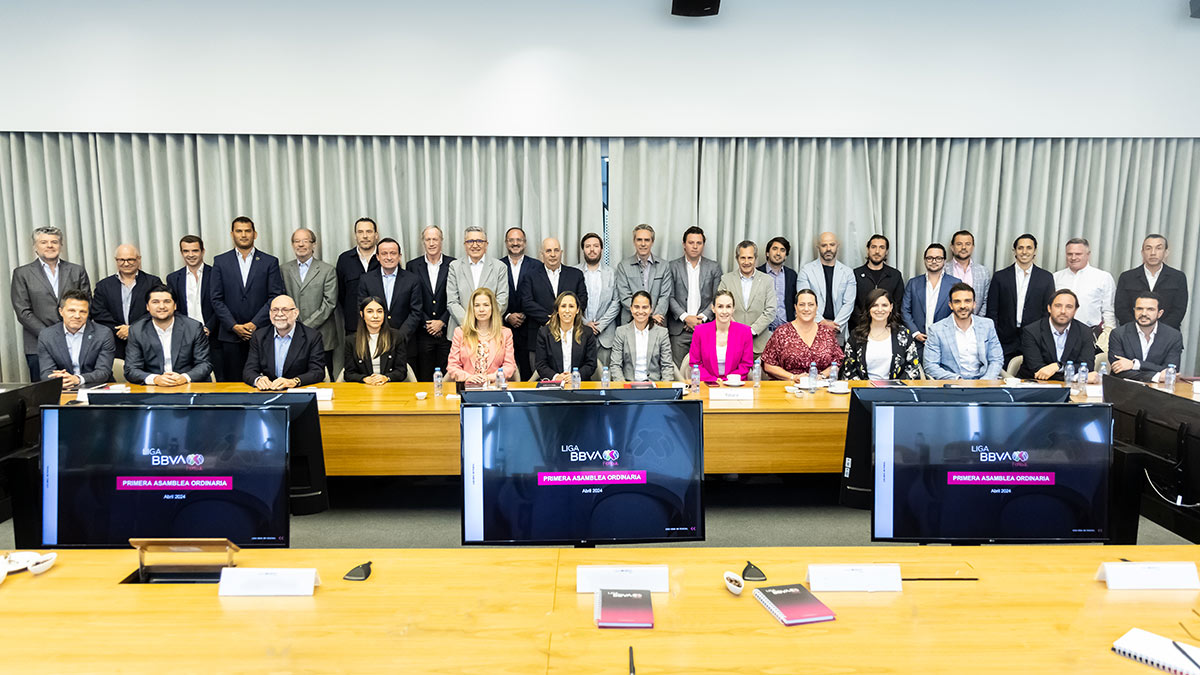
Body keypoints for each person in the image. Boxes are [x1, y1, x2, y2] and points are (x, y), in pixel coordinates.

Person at [210, 216, 286, 382]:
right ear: (232, 234)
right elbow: (216, 298)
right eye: (239, 231)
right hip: (230, 335)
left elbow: (275, 297)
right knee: (232, 384)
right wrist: (233, 326)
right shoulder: (220, 261)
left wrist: (254, 324)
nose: (243, 235)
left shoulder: (269, 262)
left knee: (264, 381)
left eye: (247, 231)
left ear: (255, 234)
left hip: (261, 333)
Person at [11, 226, 91, 379]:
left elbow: (87, 304)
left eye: (54, 242)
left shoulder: (77, 270)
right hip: (38, 342)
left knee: (78, 388)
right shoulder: (22, 273)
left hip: (76, 340)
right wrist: (50, 335)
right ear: (35, 247)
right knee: (45, 393)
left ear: (61, 245)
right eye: (43, 242)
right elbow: (23, 311)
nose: (49, 246)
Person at [985, 233, 1056, 363]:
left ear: (1035, 251)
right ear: (1015, 251)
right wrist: (994, 336)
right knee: (1003, 376)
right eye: (1020, 248)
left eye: (1029, 248)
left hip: (1034, 338)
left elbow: (1048, 311)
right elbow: (992, 311)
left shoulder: (1046, 278)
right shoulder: (1000, 277)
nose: (1024, 252)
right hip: (1004, 340)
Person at [123, 284, 212, 385]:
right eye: (155, 302)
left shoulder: (193, 327)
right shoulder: (137, 330)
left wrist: (184, 377)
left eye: (167, 301)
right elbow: (131, 369)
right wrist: (155, 379)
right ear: (147, 307)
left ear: (175, 306)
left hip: (188, 387)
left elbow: (204, 364)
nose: (161, 306)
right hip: (154, 389)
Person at [521, 237, 588, 370]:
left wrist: (563, 317)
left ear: (561, 252)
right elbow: (527, 302)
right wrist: (551, 319)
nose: (552, 254)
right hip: (538, 337)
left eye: (556, 250)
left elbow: (582, 300)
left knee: (570, 380)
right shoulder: (530, 276)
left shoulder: (576, 274)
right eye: (548, 251)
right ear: (542, 254)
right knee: (540, 380)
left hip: (572, 337)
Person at [89, 244, 162, 360]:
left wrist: (132, 329)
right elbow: (98, 312)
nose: (126, 263)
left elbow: (158, 310)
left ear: (139, 259)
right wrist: (120, 330)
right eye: (121, 260)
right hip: (114, 342)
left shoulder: (153, 282)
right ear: (116, 260)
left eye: (130, 259)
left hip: (146, 340)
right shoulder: (103, 285)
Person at [282, 228, 338, 380]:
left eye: (305, 241)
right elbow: (280, 299)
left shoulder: (328, 270)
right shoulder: (284, 269)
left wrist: (305, 327)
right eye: (297, 241)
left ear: (314, 245)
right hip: (289, 333)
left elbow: (330, 303)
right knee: (293, 377)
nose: (301, 245)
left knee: (323, 376)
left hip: (322, 335)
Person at [923, 283, 1004, 380]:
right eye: (957, 302)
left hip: (983, 383)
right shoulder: (936, 330)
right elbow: (930, 365)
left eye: (967, 301)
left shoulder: (987, 325)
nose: (962, 306)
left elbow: (996, 359)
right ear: (951, 305)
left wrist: (985, 381)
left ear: (974, 304)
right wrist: (957, 380)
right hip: (952, 386)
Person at [243, 294, 326, 390]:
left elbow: (317, 371)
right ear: (270, 314)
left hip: (298, 393)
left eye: (285, 310)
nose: (279, 314)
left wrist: (294, 381)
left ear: (295, 313)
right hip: (269, 392)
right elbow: (249, 370)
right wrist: (258, 380)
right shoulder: (259, 336)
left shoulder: (312, 336)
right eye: (275, 310)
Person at [406, 225, 456, 381]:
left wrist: (442, 321)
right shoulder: (412, 266)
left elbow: (456, 297)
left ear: (441, 241)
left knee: (447, 375)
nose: (432, 243)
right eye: (428, 239)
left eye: (435, 239)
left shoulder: (453, 264)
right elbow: (412, 299)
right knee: (424, 376)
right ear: (423, 242)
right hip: (423, 332)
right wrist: (428, 324)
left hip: (447, 332)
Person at [36, 289, 114, 388]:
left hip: (96, 388)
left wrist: (77, 379)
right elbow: (46, 373)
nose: (77, 316)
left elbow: (103, 372)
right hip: (63, 389)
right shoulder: (47, 336)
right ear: (61, 311)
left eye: (83, 312)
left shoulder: (103, 334)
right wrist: (62, 380)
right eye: (71, 310)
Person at [761, 289, 845, 381]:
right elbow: (768, 365)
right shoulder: (782, 332)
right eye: (802, 305)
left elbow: (837, 363)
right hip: (788, 388)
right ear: (795, 307)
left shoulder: (827, 332)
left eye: (811, 305)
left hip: (820, 387)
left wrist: (822, 376)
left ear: (817, 308)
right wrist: (792, 377)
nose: (806, 309)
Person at [668, 226, 722, 364]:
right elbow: (670, 296)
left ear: (703, 245)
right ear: (684, 244)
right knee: (679, 372)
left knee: (706, 370)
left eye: (699, 243)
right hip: (679, 330)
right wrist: (686, 318)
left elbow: (717, 298)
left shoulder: (713, 267)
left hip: (705, 328)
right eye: (691, 242)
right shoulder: (672, 266)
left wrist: (701, 319)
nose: (695, 246)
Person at [1017, 289, 1098, 382]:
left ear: (1075, 310)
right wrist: (1074, 377)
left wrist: (1058, 366)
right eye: (1058, 306)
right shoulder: (1031, 331)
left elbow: (1087, 365)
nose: (1063, 311)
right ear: (1049, 308)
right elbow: (1037, 369)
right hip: (1034, 385)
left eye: (1069, 307)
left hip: (1071, 388)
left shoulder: (1085, 332)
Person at [841, 288, 921, 381]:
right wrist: (865, 388)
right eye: (874, 305)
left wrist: (893, 388)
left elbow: (913, 369)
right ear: (868, 308)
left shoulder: (903, 334)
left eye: (884, 305)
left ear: (891, 307)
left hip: (896, 391)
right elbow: (848, 370)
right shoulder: (857, 335)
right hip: (864, 391)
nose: (880, 310)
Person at [1115, 234, 1189, 331]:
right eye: (1148, 248)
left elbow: (1179, 310)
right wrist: (1139, 330)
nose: (1153, 253)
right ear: (1142, 252)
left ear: (1166, 252)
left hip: (1167, 335)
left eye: (1158, 248)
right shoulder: (1127, 277)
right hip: (1131, 334)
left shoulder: (1178, 277)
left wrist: (1158, 331)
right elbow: (1121, 309)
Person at [1108, 292, 1185, 383]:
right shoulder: (1118, 334)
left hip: (1158, 391)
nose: (1144, 313)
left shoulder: (1173, 336)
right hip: (1124, 389)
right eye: (1139, 309)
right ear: (1134, 310)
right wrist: (1156, 376)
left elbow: (1170, 371)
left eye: (1150, 309)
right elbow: (1119, 371)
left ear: (1159, 313)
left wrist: (1135, 364)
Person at [716, 240, 777, 356]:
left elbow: (771, 310)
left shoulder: (767, 281)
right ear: (737, 258)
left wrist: (751, 331)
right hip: (732, 343)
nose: (746, 262)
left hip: (759, 347)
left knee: (759, 375)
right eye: (743, 258)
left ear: (756, 258)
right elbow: (720, 307)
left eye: (750, 258)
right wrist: (738, 331)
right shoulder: (726, 280)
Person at [446, 287, 517, 385]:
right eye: (477, 305)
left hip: (495, 387)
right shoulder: (460, 332)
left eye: (486, 305)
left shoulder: (505, 333)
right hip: (468, 387)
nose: (481, 309)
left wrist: (489, 377)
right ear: (472, 309)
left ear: (492, 308)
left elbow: (509, 366)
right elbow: (452, 366)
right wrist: (469, 377)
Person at [357, 237, 423, 342]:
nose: (389, 257)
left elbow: (416, 312)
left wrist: (399, 337)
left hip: (405, 340)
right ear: (378, 257)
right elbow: (363, 309)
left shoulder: (412, 279)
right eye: (384, 253)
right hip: (374, 340)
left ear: (399, 256)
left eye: (393, 253)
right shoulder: (366, 280)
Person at [447, 226, 509, 335]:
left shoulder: (500, 267)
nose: (475, 245)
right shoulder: (454, 267)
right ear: (465, 244)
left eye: (479, 241)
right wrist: (469, 323)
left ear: (486, 244)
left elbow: (502, 300)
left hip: (491, 330)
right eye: (470, 241)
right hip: (462, 329)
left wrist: (484, 324)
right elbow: (452, 301)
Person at [796, 231, 856, 342]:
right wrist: (822, 323)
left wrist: (835, 326)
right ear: (818, 247)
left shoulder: (848, 273)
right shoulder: (806, 271)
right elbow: (804, 301)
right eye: (824, 245)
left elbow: (849, 303)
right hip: (811, 327)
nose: (828, 248)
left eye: (832, 245)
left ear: (837, 245)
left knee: (837, 359)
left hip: (838, 330)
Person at [574, 232, 620, 377]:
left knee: (605, 379)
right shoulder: (574, 272)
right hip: (579, 333)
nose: (592, 249)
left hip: (605, 335)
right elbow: (570, 304)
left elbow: (616, 302)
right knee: (581, 378)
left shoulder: (612, 273)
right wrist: (585, 323)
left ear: (601, 249)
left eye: (595, 246)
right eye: (588, 246)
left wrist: (600, 326)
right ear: (583, 250)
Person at [501, 226, 542, 381]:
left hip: (530, 327)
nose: (515, 243)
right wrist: (507, 315)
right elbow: (494, 296)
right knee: (506, 372)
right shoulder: (497, 266)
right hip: (504, 327)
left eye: (519, 240)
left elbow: (539, 296)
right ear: (506, 243)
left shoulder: (537, 266)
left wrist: (525, 314)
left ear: (525, 243)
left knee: (528, 372)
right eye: (511, 240)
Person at [901, 244, 960, 347]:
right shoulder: (913, 283)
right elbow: (905, 310)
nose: (934, 261)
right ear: (924, 260)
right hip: (917, 342)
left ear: (944, 261)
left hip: (945, 342)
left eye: (938, 258)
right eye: (930, 258)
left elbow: (958, 312)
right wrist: (915, 333)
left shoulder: (955, 283)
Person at [1053, 237, 1116, 336]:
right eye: (1069, 254)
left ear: (1088, 255)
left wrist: (1109, 334)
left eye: (1078, 254)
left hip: (1090, 334)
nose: (1073, 258)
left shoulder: (1103, 277)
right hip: (1059, 334)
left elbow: (1108, 311)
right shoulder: (1056, 277)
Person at [688, 289, 754, 381]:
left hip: (735, 385)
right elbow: (695, 363)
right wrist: (713, 380)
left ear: (733, 309)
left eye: (728, 306)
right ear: (713, 308)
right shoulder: (700, 331)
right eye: (720, 306)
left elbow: (746, 365)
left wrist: (727, 381)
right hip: (708, 384)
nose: (724, 311)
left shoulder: (745, 332)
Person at [614, 224, 673, 326]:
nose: (643, 244)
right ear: (634, 242)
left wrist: (655, 316)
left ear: (652, 242)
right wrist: (647, 315)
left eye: (647, 240)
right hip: (630, 322)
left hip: (657, 321)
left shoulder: (664, 266)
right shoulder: (623, 266)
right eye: (639, 240)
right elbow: (624, 296)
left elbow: (665, 295)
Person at [610, 291, 676, 382]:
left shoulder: (662, 333)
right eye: (636, 307)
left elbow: (667, 366)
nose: (640, 311)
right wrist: (623, 387)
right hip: (628, 386)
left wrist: (663, 389)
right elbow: (615, 365)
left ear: (650, 309)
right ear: (631, 309)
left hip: (654, 387)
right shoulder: (621, 332)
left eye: (645, 307)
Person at [343, 296, 409, 385]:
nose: (375, 316)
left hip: (389, 387)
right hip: (363, 388)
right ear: (362, 314)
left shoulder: (396, 337)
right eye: (370, 311)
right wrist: (364, 379)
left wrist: (386, 378)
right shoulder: (351, 340)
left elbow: (401, 371)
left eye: (379, 311)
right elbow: (348, 374)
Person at [534, 291, 598, 381]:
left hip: (579, 386)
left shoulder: (587, 333)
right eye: (563, 306)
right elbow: (541, 364)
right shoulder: (544, 333)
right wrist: (556, 377)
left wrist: (575, 376)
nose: (567, 310)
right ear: (557, 310)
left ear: (577, 310)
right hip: (553, 385)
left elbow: (591, 364)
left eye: (571, 306)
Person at [335, 217, 381, 336]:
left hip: (382, 326)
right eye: (360, 232)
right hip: (354, 326)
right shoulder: (344, 259)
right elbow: (341, 293)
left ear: (376, 235)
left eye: (369, 232)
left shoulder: (385, 258)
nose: (365, 236)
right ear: (355, 235)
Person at [850, 234, 905, 331]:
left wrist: (887, 324)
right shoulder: (855, 274)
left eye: (882, 247)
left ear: (886, 251)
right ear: (868, 249)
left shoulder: (895, 275)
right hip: (860, 329)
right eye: (873, 247)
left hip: (888, 329)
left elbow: (898, 305)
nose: (877, 251)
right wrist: (865, 324)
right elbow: (851, 304)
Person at [757, 236, 798, 333]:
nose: (778, 253)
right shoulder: (757, 273)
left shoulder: (791, 275)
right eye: (775, 249)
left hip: (787, 330)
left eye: (782, 250)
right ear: (767, 253)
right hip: (763, 331)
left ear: (786, 256)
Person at [948, 229, 991, 315]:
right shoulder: (943, 270)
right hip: (949, 324)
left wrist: (977, 321)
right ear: (952, 247)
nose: (963, 247)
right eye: (959, 244)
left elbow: (986, 301)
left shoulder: (983, 272)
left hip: (976, 324)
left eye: (968, 244)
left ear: (973, 247)